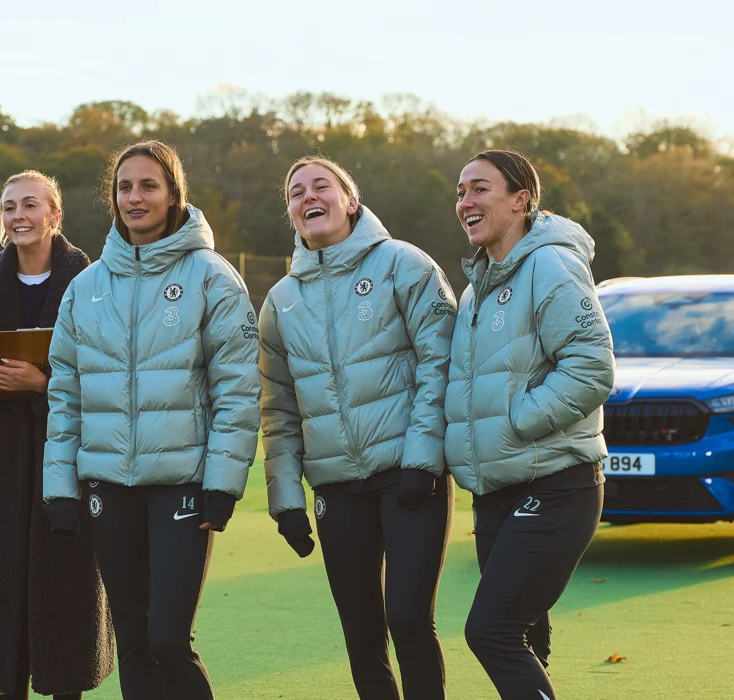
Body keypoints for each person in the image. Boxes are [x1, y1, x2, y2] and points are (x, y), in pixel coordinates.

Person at [41, 141, 260, 700]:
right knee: (134, 643)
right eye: (124, 187)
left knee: (168, 639)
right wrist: (61, 487)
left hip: (182, 485)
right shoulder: (86, 287)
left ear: (173, 195)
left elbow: (238, 391)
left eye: (148, 185)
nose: (134, 197)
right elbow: (65, 393)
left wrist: (223, 484)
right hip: (107, 486)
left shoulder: (212, 277)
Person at [256, 156, 457, 699]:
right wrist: (285, 499)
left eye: (321, 185)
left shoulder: (403, 264)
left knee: (408, 618)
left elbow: (441, 363)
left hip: (409, 475)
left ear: (351, 200)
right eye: (295, 192)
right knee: (361, 633)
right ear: (291, 213)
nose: (307, 196)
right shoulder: (280, 301)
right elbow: (279, 409)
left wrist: (422, 458)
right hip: (336, 488)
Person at [445, 150, 612, 700]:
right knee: (522, 640)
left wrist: (517, 421)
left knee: (491, 632)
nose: (465, 201)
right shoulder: (475, 288)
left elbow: (592, 368)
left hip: (556, 484)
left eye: (480, 189)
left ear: (521, 200)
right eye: (461, 191)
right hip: (496, 489)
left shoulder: (552, 265)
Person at [0, 171, 114, 699]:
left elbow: (112, 378)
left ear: (55, 215)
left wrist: (43, 384)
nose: (18, 215)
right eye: (9, 207)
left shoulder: (94, 282)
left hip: (73, 461)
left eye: (30, 205)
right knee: (2, 608)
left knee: (68, 603)